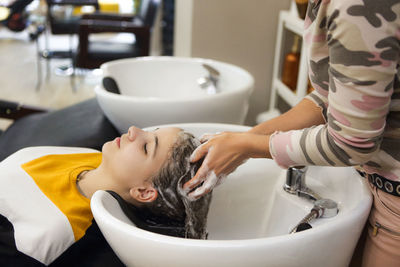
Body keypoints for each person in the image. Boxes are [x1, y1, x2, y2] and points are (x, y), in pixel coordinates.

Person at [184, 0, 400, 266]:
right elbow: (329, 97)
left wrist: (251, 146)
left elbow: (351, 143)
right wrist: (243, 142)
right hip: (373, 180)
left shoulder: (353, 6)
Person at [0, 126, 212, 266]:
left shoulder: (52, 234)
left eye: (146, 147)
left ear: (144, 192)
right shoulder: (96, 157)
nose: (134, 131)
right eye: (152, 131)